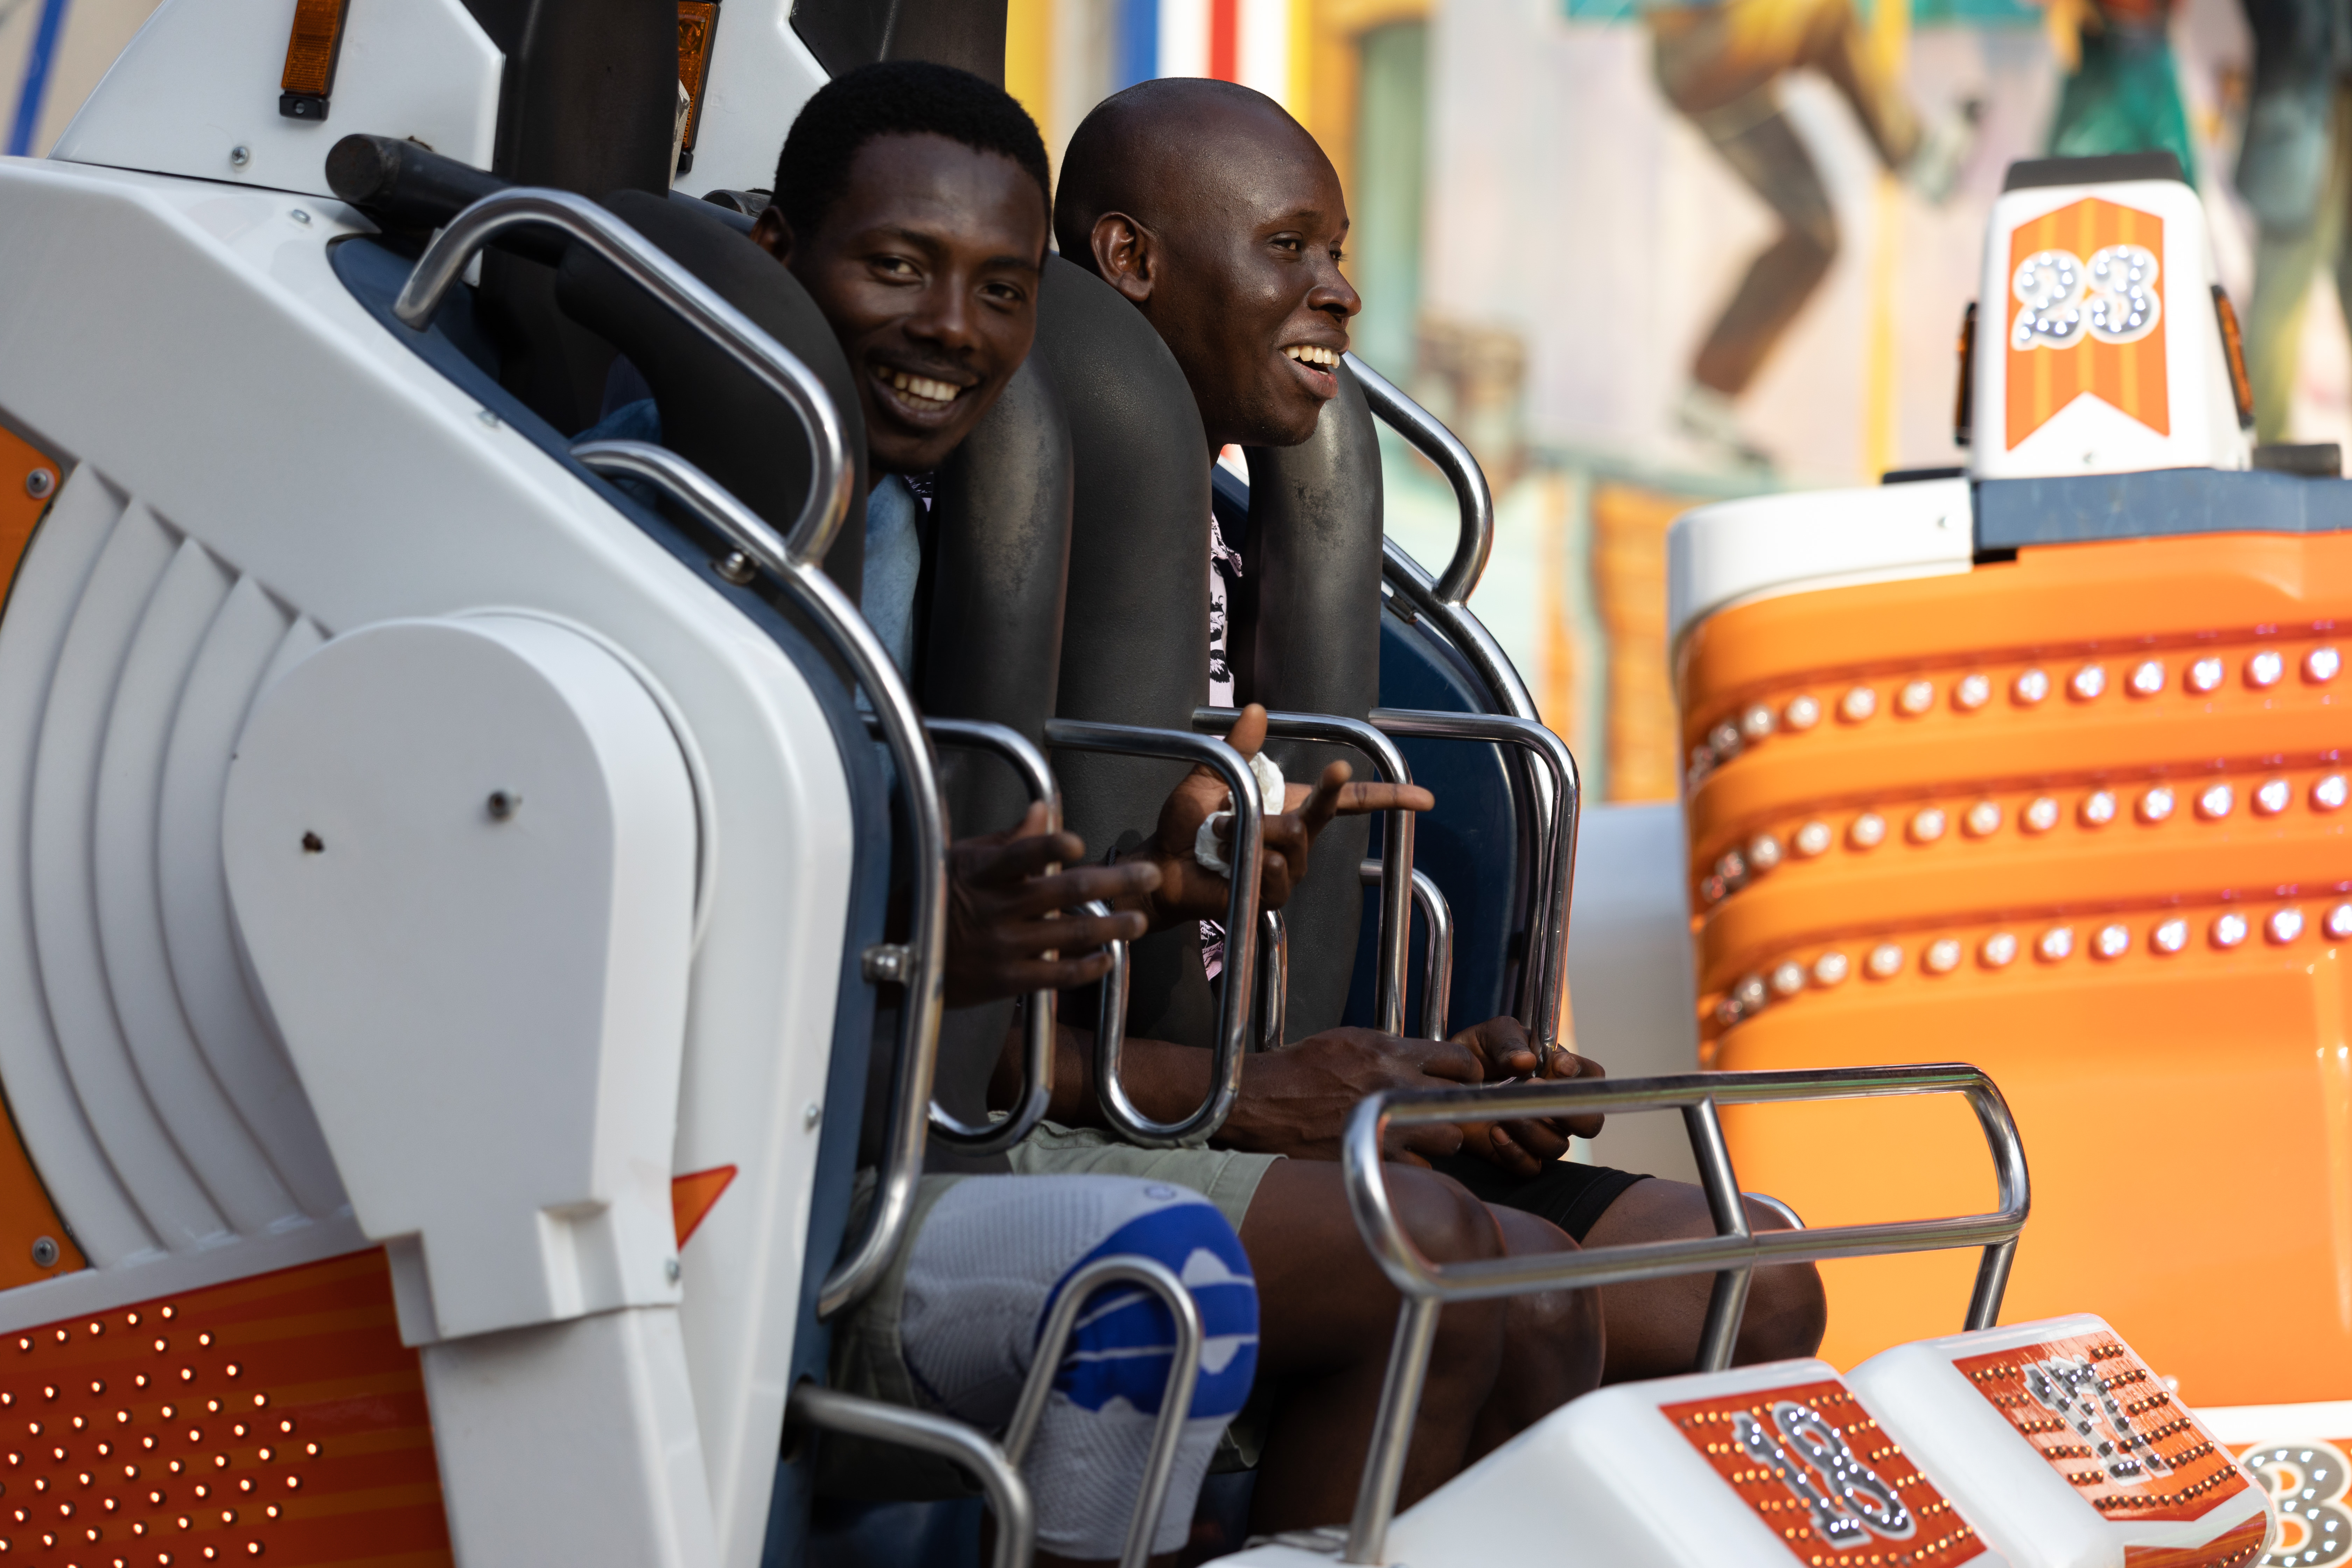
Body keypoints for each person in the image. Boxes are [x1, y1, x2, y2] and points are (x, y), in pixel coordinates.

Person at [593, 61, 1589, 1554]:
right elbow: (688, 961)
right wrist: (964, 962)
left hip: (984, 1122)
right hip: (767, 1186)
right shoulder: (667, 529)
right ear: (784, 263)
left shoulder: (991, 519)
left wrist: (1178, 892)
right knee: (1357, 1263)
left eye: (1001, 290)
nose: (953, 325)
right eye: (898, 268)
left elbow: (1010, 925)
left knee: (1632, 1278)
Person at [1046, 72, 1826, 1386]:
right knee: (1475, 1277)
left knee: (1747, 1283)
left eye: (1337, 252)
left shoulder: (1247, 552)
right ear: (1130, 261)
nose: (1341, 292)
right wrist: (1258, 1095)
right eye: (1289, 247)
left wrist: (1433, 1078)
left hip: (1275, 1108)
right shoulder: (1001, 546)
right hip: (1103, 1117)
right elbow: (952, 1030)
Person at [1635, 0, 1976, 465]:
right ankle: (1913, 157)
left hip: (1711, 67)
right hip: (1698, 45)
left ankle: (1708, 397)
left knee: (1815, 238)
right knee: (1825, 12)